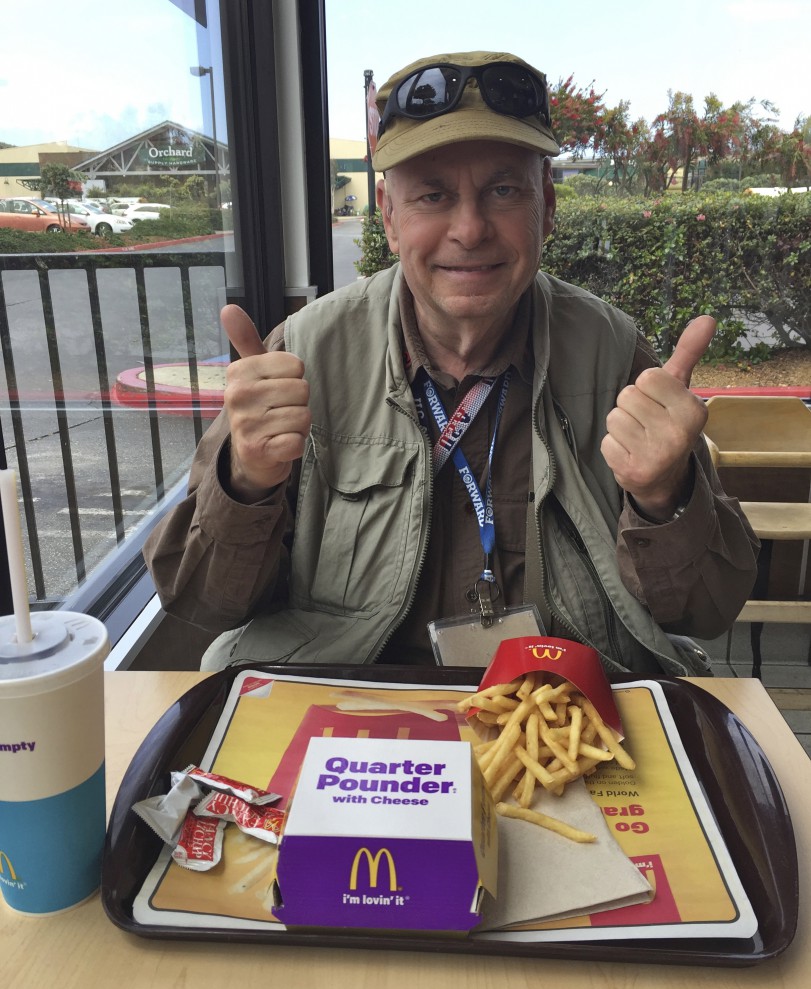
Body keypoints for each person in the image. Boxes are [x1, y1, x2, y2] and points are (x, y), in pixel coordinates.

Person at [144, 51, 759, 675]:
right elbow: (201, 601)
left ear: (545, 204)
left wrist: (664, 498)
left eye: (503, 190)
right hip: (357, 705)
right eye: (433, 195)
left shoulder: (612, 350)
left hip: (568, 709)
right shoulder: (302, 353)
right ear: (388, 215)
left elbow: (707, 613)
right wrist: (246, 482)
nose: (469, 229)